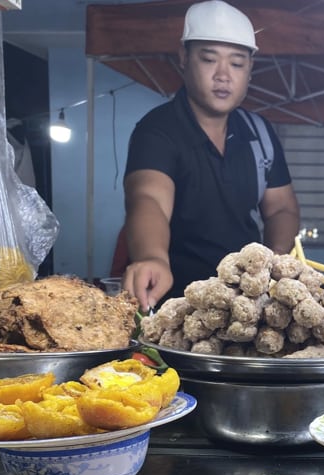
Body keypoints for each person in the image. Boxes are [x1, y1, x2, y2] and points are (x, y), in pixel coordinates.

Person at [121, 0, 300, 310]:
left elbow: (282, 209)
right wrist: (152, 256)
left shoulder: (259, 132)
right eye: (208, 59)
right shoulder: (158, 130)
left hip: (248, 303)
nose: (223, 75)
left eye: (236, 63)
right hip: (178, 302)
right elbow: (149, 199)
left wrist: (273, 266)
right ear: (184, 58)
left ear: (250, 69)